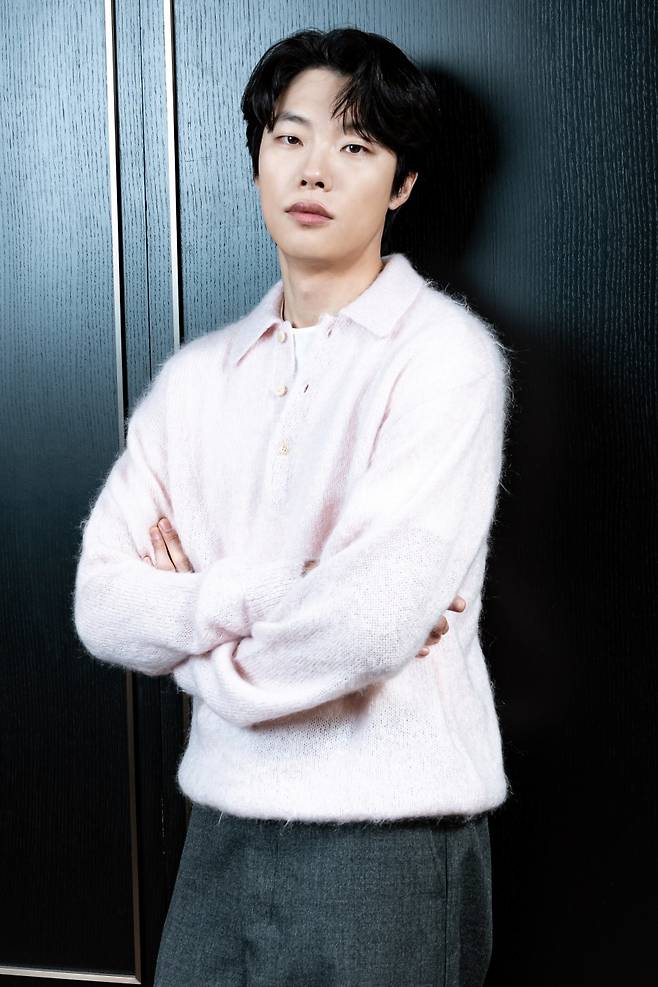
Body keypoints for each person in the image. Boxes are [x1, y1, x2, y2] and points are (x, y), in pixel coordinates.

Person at [73, 26, 514, 987]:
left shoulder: (444, 357)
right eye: (290, 137)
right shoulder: (196, 379)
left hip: (389, 839)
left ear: (402, 183)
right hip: (219, 830)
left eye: (355, 145)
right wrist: (284, 589)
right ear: (259, 159)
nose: (314, 169)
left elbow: (370, 622)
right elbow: (103, 603)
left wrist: (197, 642)